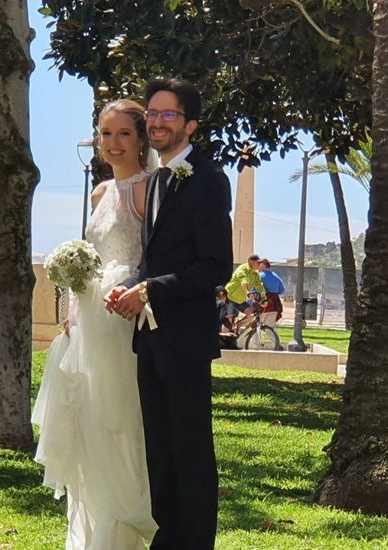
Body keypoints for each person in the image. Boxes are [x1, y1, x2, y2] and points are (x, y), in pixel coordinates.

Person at [106, 78, 232, 550]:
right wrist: (126, 287)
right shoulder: (156, 179)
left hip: (185, 337)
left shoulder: (210, 180)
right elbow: (155, 258)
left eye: (168, 115)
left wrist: (150, 290)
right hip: (149, 337)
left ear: (190, 125)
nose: (157, 123)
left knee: (190, 451)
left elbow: (215, 266)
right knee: (158, 450)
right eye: (153, 115)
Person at [32, 98, 156, 549]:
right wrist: (74, 302)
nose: (114, 143)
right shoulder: (101, 192)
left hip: (122, 313)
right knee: (88, 415)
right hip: (88, 315)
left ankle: (121, 526)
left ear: (142, 139)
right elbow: (97, 254)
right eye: (106, 134)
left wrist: (132, 289)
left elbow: (152, 257)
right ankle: (89, 531)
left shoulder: (149, 189)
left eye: (124, 134)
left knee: (120, 415)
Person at [224, 254, 266, 329]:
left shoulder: (255, 274)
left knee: (253, 314)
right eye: (258, 262)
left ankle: (238, 325)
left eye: (260, 263)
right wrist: (247, 292)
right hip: (229, 296)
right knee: (228, 320)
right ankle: (223, 339)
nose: (259, 264)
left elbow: (260, 286)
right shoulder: (243, 269)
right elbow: (243, 282)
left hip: (240, 300)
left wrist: (264, 298)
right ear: (250, 261)